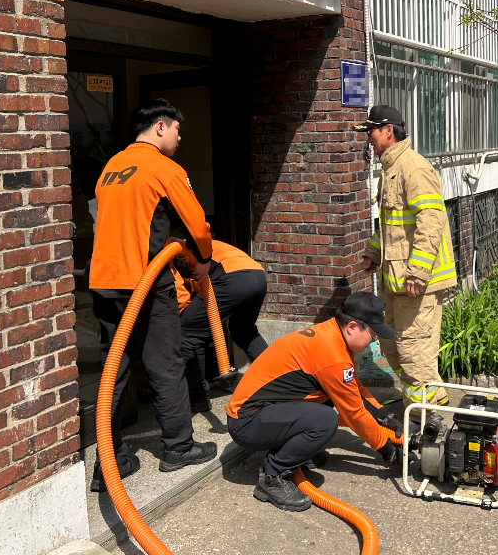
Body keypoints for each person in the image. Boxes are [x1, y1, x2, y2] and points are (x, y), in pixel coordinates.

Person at [89, 99, 217, 491]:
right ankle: (178, 446)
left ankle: (108, 462)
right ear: (160, 127)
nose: (179, 139)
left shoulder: (112, 168)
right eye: (177, 130)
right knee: (165, 363)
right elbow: (196, 224)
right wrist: (203, 261)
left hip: (104, 279)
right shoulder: (163, 167)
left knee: (116, 370)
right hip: (144, 279)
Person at [225, 292, 404, 512]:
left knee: (326, 401)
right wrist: (386, 449)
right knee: (325, 419)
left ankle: (295, 454)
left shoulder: (330, 333)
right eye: (373, 335)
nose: (373, 341)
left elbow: (354, 389)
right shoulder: (333, 356)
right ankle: (271, 477)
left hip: (264, 412)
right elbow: (355, 414)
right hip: (247, 421)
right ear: (352, 327)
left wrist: (384, 416)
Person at [355, 105, 457, 418]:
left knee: (414, 351)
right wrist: (374, 253)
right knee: (391, 343)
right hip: (395, 279)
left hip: (416, 283)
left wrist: (418, 270)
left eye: (371, 132)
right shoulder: (391, 169)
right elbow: (391, 226)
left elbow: (431, 220)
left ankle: (423, 418)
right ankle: (426, 401)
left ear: (388, 131)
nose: (368, 139)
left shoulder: (413, 168)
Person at [172, 240, 269, 412]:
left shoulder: (171, 252)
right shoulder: (198, 245)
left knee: (187, 333)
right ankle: (279, 376)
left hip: (231, 278)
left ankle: (197, 399)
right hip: (258, 276)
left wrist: (184, 319)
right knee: (243, 330)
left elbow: (181, 299)